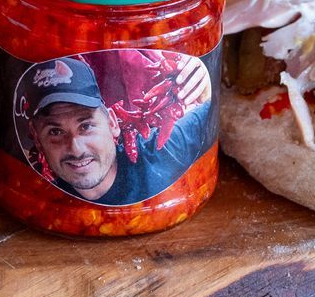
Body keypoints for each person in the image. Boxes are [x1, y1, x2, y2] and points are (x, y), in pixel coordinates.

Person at [20, 55, 213, 206]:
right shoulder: (36, 194)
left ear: (112, 122)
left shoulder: (163, 152)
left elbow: (209, 110)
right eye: (55, 132)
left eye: (86, 126)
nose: (76, 149)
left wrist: (202, 80)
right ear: (37, 138)